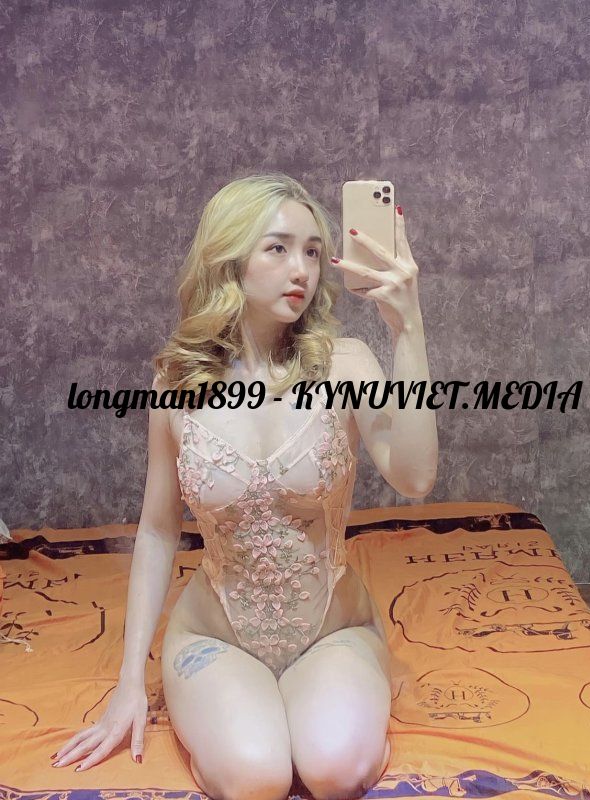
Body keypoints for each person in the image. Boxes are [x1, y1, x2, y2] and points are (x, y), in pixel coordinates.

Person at [50, 173, 438, 800]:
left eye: (313, 251)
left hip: (332, 631)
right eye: (277, 248)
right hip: (216, 636)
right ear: (230, 258)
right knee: (257, 777)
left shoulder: (346, 364)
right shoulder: (177, 384)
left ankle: (322, 711)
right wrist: (128, 682)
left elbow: (415, 477)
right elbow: (157, 531)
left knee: (335, 770)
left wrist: (407, 329)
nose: (301, 269)